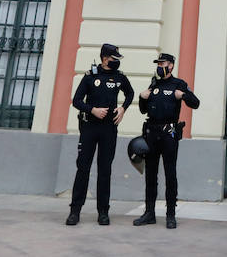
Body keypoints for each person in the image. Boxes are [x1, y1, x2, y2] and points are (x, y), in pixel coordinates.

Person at [66, 42, 134, 226]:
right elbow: (76, 100)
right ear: (105, 59)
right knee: (83, 169)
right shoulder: (90, 77)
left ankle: (103, 212)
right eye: (114, 59)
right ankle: (75, 211)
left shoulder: (119, 78)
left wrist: (123, 109)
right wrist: (92, 110)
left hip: (109, 130)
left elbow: (130, 93)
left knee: (105, 171)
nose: (116, 63)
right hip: (89, 128)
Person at [134, 52, 200, 229]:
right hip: (151, 134)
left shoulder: (178, 84)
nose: (159, 66)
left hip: (169, 134)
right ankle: (149, 213)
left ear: (171, 65)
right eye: (158, 63)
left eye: (162, 63)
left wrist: (183, 95)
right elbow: (142, 110)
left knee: (170, 174)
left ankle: (170, 214)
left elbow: (196, 103)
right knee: (150, 175)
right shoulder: (154, 84)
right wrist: (142, 98)